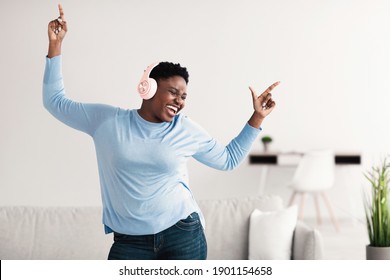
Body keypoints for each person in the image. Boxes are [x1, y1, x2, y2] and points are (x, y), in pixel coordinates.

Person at [43, 4, 280, 260]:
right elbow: (55, 102)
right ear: (147, 88)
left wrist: (257, 117)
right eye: (173, 92)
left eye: (184, 96)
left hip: (182, 233)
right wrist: (55, 46)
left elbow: (228, 160)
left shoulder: (185, 129)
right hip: (128, 242)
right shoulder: (107, 121)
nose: (180, 101)